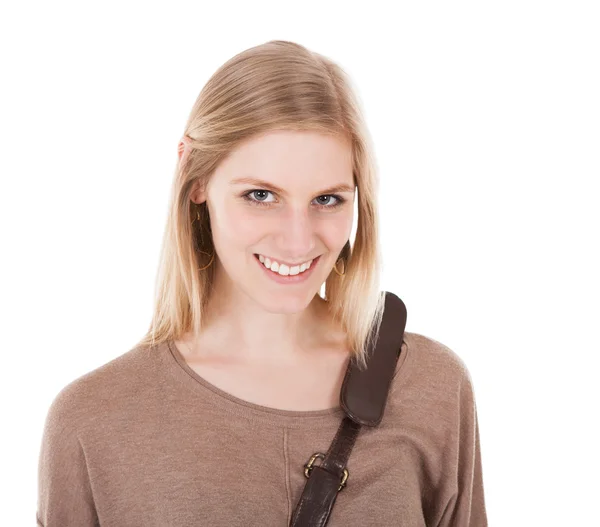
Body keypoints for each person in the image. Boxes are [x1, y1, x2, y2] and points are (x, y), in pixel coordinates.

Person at [37, 40, 488, 526]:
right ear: (196, 178)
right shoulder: (94, 422)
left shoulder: (429, 387)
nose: (297, 242)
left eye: (328, 200)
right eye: (260, 194)